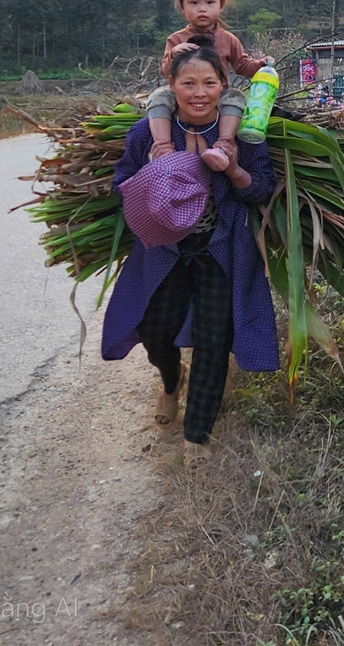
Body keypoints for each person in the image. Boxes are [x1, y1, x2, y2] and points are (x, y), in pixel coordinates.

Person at [102, 35, 279, 467]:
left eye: (209, 83)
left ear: (223, 85)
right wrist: (152, 173)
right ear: (171, 87)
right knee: (155, 329)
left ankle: (196, 435)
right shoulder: (148, 132)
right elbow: (120, 181)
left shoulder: (244, 132)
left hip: (222, 249)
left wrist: (234, 169)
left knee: (213, 339)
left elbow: (262, 188)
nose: (199, 93)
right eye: (188, 84)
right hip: (165, 250)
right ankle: (169, 380)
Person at [148, 0, 270, 172]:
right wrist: (174, 53)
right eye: (194, 3)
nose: (202, 9)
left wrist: (260, 65)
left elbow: (243, 66)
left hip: (217, 96)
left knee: (236, 97)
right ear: (182, 6)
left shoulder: (228, 39)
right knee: (158, 96)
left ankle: (224, 145)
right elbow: (166, 72)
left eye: (210, 2)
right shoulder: (175, 39)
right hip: (183, 97)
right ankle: (162, 146)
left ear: (221, 5)